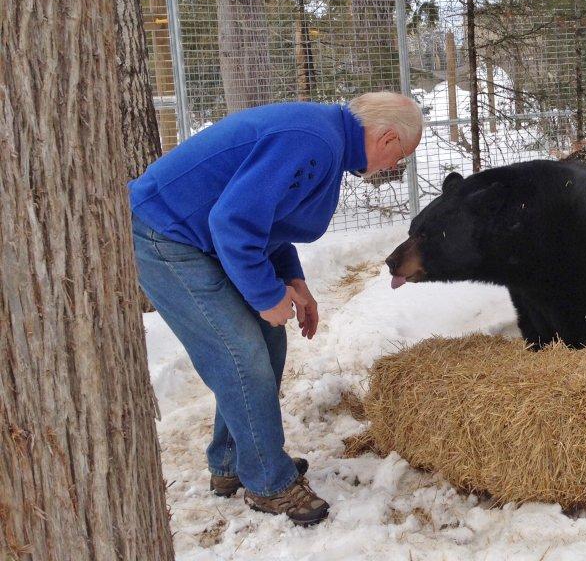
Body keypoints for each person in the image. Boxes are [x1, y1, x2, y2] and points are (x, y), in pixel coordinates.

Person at [129, 92, 423, 526]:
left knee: (268, 342)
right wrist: (267, 298)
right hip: (167, 234)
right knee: (241, 356)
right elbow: (233, 222)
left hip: (202, 236)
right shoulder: (314, 142)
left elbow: (269, 220)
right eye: (400, 156)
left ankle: (234, 463)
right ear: (387, 137)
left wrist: (292, 281)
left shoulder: (326, 141)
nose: (393, 167)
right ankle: (269, 483)